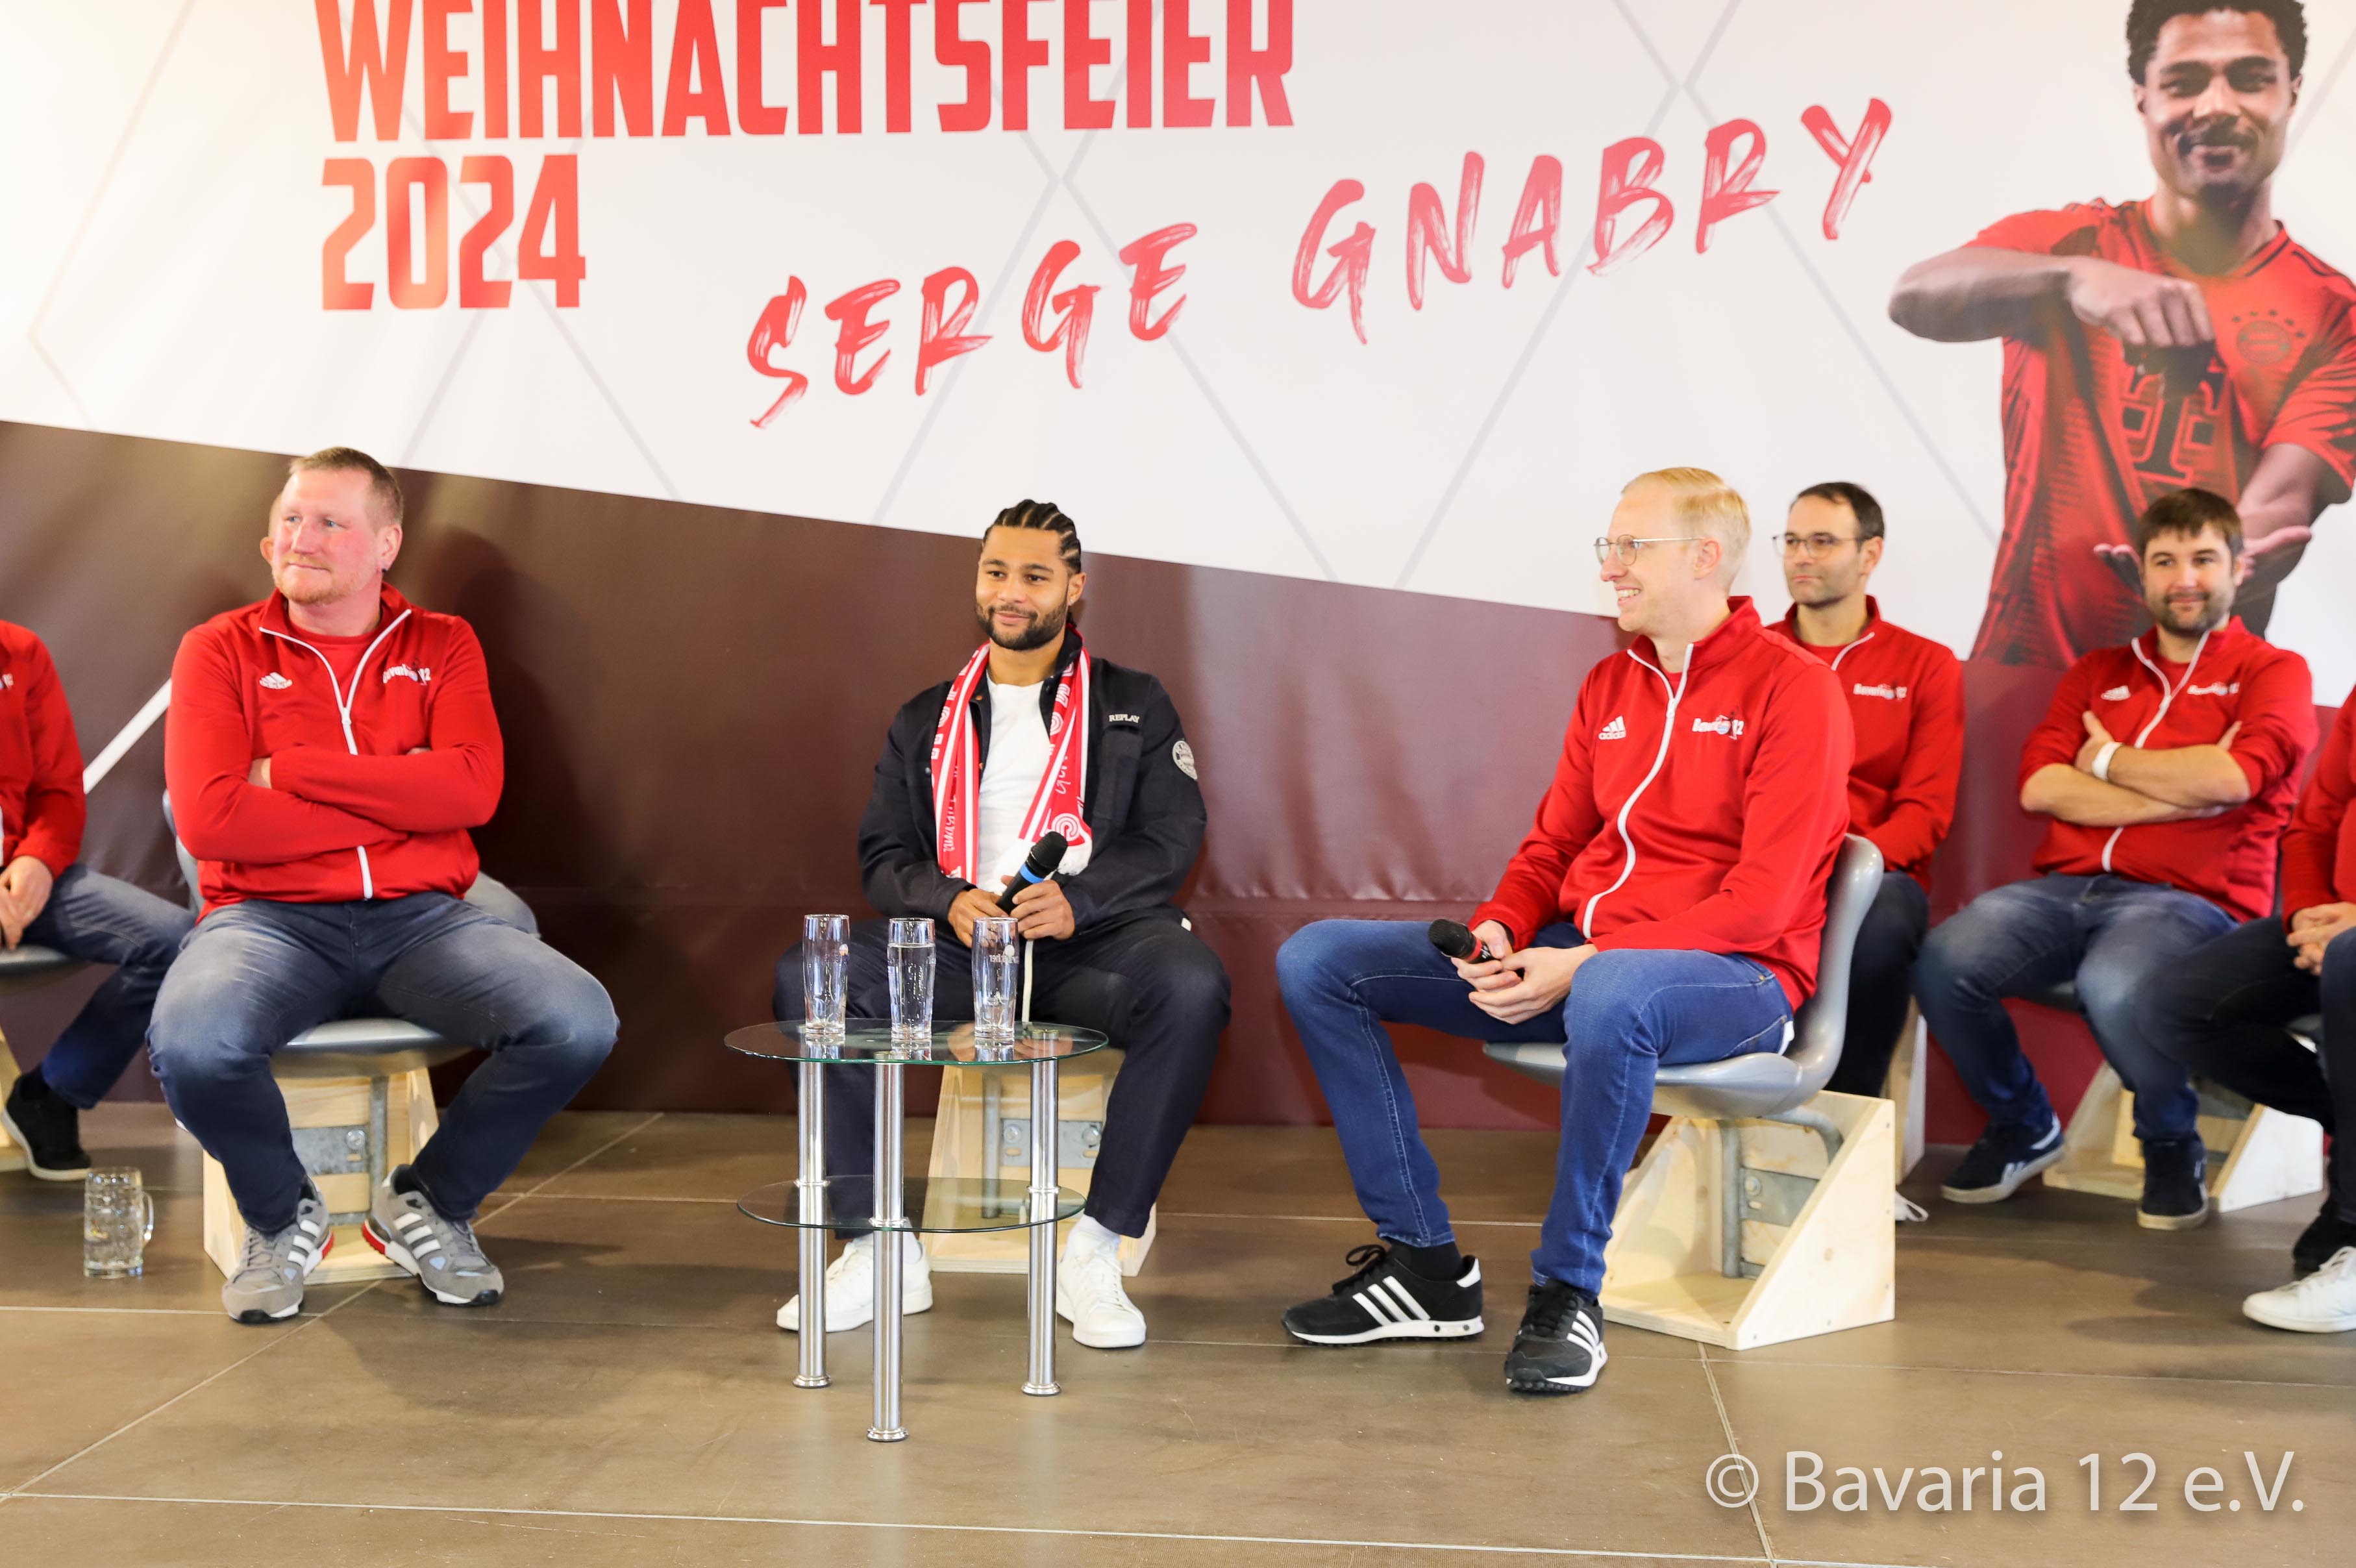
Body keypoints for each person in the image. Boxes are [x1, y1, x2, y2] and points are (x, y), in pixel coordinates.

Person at [1275, 469, 1852, 1397]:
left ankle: (1568, 1290)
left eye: (1631, 547)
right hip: (1588, 966)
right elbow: (1552, 845)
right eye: (1607, 547)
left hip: (1735, 978)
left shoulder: (1796, 690)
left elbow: (1763, 902)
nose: (1610, 566)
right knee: (1319, 960)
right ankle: (1423, 1268)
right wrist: (1501, 930)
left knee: (1615, 991)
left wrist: (1583, 962)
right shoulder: (1610, 684)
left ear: (1704, 556)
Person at [153, 447, 617, 1325]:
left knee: (577, 1021)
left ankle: (430, 1201)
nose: (302, 537)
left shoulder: (443, 643)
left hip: (421, 920)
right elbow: (212, 820)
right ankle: (279, 1215)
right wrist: (404, 806)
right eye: (291, 519)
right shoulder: (218, 648)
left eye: (330, 521)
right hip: (269, 921)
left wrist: (290, 769)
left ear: (386, 544)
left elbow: (471, 791)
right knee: (195, 1044)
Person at [772, 499, 1228, 1351]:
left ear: (1074, 589)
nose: (1010, 592)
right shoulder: (926, 715)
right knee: (812, 975)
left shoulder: (1133, 702)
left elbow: (1173, 834)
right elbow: (882, 854)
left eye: (1034, 575)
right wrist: (944, 896)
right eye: (995, 571)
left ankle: (1094, 1247)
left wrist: (1082, 900)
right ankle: (876, 1246)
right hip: (960, 942)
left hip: (1085, 942)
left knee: (1190, 986)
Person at [1889, 0, 2353, 667]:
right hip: (2023, 679)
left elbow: (2284, 498)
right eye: (2183, 82)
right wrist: (2072, 281)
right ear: (2142, 97)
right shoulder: (2070, 244)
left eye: (2249, 78)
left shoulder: (2334, 315)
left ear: (2291, 92)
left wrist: (2214, 560)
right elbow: (1912, 297)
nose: (2215, 106)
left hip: (2203, 693)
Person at [1913, 488, 2314, 1228]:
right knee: (1944, 958)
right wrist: (2183, 795)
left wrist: (2103, 760)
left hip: (2190, 900)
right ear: (2141, 574)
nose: (2183, 579)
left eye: (2202, 559)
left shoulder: (2273, 671)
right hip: (2066, 889)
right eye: (2164, 561)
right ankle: (2022, 1122)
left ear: (2237, 569)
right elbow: (2040, 786)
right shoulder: (2096, 672)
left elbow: (2235, 779)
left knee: (2113, 982)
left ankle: (2168, 1141)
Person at [2140, 687, 2356, 1329]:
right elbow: (2314, 822)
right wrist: (2308, 919)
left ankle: (2351, 1218)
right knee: (2171, 1005)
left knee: (2350, 963)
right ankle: (2348, 1128)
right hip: (2330, 921)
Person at [1766, 483, 1966, 1099]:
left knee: (1877, 926)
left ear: (1869, 554)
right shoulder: (1754, 655)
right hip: (1764, 865)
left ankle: (1843, 1116)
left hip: (1873, 872)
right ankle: (1723, 1107)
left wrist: (1837, 871)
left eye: (1822, 541)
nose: (1801, 556)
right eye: (1792, 541)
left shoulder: (1925, 664)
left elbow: (1924, 813)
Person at [0, 621, 192, 1178]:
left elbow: (58, 787)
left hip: (21, 870)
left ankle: (51, 1095)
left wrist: (38, 860)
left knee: (179, 942)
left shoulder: (20, 651)